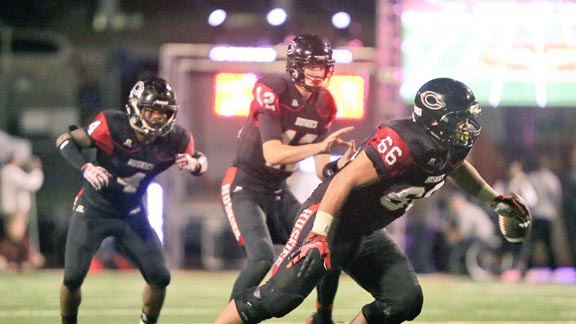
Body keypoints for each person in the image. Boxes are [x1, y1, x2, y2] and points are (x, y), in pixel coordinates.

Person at [213, 77, 532, 324]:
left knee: (404, 299)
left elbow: (456, 169)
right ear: (434, 119)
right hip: (329, 219)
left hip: (364, 232)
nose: (466, 127)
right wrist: (319, 234)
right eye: (457, 119)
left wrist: (495, 200)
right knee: (277, 300)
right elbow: (344, 178)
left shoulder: (448, 148)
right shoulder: (402, 143)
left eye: (467, 118)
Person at [220, 33, 355, 324]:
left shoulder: (325, 103)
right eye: (312, 65)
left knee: (323, 245)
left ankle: (322, 317)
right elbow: (272, 153)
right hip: (244, 186)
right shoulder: (272, 88)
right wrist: (320, 147)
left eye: (323, 65)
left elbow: (322, 170)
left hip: (279, 191)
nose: (319, 72)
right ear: (296, 65)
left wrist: (337, 166)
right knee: (261, 259)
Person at [55, 76, 207, 324]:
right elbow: (64, 139)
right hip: (94, 209)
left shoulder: (175, 138)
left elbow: (201, 160)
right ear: (137, 108)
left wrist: (195, 164)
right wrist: (87, 168)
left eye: (163, 112)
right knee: (72, 278)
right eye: (152, 110)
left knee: (160, 276)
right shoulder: (113, 124)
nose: (158, 117)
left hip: (132, 213)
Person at [0, 153, 45, 271]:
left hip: (14, 209)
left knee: (17, 237)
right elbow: (32, 183)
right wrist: (37, 170)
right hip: (15, 210)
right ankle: (12, 260)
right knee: (15, 237)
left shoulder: (8, 171)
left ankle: (19, 261)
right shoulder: (10, 171)